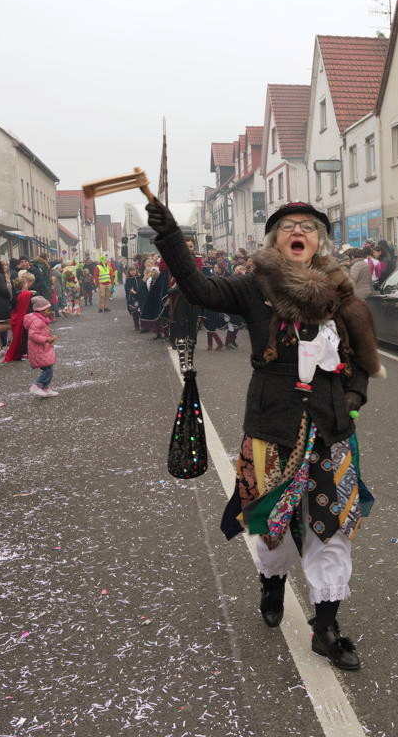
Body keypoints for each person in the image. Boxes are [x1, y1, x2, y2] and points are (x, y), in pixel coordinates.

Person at [147, 199, 383, 671]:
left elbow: (359, 359)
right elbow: (197, 288)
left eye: (310, 227)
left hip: (331, 430)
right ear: (275, 239)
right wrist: (172, 235)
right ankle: (272, 583)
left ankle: (326, 627)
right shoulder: (254, 287)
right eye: (289, 227)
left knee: (332, 529)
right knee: (272, 526)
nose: (300, 231)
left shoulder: (340, 294)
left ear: (320, 241)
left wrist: (353, 397)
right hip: (270, 427)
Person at [24, 296, 58, 397]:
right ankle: (37, 385)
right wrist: (46, 339)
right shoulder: (37, 321)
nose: (49, 312)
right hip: (38, 349)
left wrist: (49, 336)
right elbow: (33, 335)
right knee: (48, 369)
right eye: (47, 310)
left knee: (49, 367)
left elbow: (40, 332)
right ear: (41, 310)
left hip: (42, 348)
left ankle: (45, 387)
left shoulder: (40, 319)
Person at [2, 271, 34, 362]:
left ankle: (18, 354)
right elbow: (28, 296)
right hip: (20, 318)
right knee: (19, 338)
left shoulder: (17, 294)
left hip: (16, 317)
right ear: (24, 285)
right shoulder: (25, 294)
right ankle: (19, 353)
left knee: (17, 338)